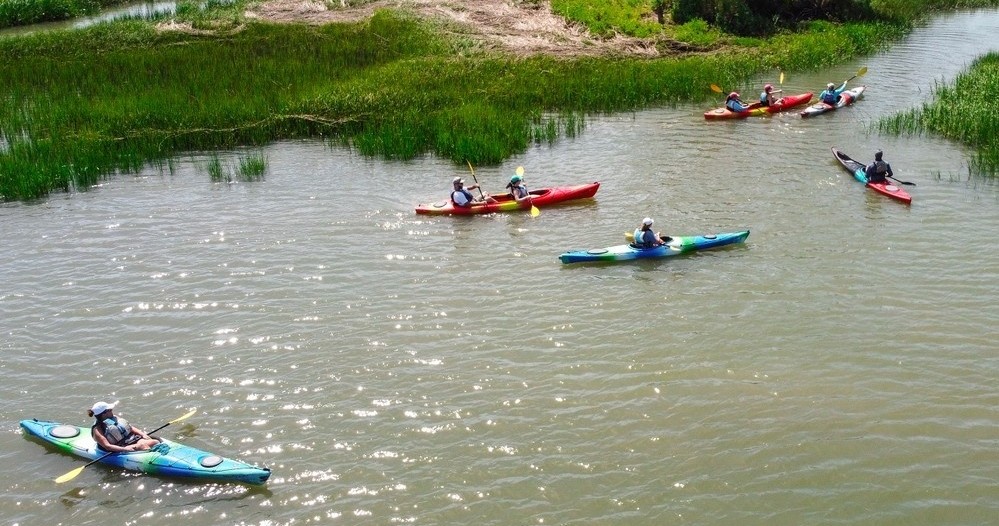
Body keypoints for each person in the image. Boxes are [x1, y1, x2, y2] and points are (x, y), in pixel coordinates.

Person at [88, 401, 160, 453]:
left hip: (130, 440)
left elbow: (130, 428)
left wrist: (143, 434)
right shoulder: (98, 429)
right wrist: (125, 449)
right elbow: (107, 446)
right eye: (110, 410)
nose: (112, 411)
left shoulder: (111, 420)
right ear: (104, 414)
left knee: (155, 442)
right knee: (143, 446)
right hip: (119, 447)